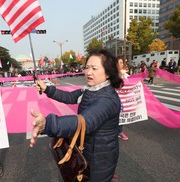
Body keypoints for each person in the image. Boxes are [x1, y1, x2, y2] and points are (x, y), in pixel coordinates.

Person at [30, 49, 124, 181]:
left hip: (100, 158)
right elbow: (69, 97)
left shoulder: (108, 99)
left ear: (108, 73)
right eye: (87, 67)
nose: (88, 72)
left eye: (94, 68)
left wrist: (48, 124)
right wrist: (47, 89)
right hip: (88, 150)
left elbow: (85, 121)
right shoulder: (89, 89)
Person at [117, 57, 129, 141]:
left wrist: (138, 82)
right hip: (114, 97)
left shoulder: (125, 73)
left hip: (123, 98)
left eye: (122, 62)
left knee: (121, 115)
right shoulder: (112, 73)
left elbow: (130, 82)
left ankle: (120, 132)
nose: (121, 64)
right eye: (119, 62)